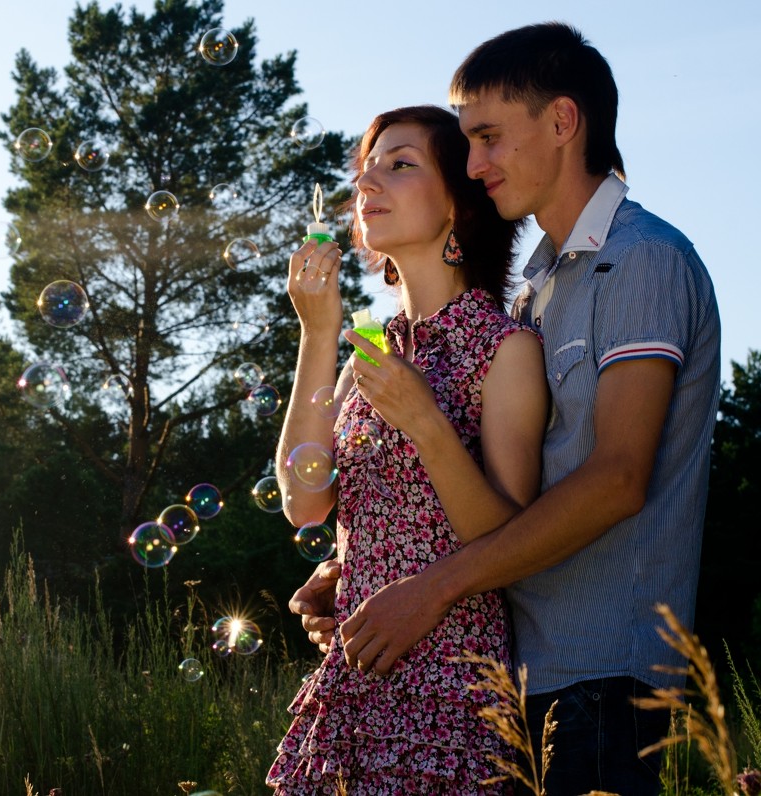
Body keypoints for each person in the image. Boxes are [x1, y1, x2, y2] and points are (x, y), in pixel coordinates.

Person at [293, 23, 722, 796]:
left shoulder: (644, 258)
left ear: (562, 122)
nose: (477, 163)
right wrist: (357, 567)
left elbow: (619, 479)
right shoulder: (540, 290)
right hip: (527, 672)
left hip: (606, 676)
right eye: (467, 143)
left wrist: (430, 587)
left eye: (488, 138)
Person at [266, 104, 549, 794]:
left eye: (400, 164)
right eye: (366, 170)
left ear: (459, 203)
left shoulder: (503, 348)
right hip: (355, 687)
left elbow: (508, 540)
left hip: (450, 694)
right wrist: (317, 332)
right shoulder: (369, 350)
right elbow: (305, 503)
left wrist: (424, 420)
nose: (368, 184)